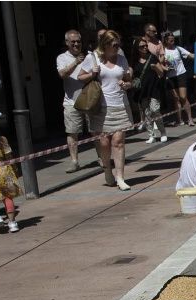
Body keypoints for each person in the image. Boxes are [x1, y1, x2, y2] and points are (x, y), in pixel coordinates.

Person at [78, 29, 133, 190]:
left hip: (120, 105)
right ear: (105, 45)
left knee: (118, 142)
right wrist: (92, 74)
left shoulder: (121, 59)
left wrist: (127, 84)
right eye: (113, 45)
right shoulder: (93, 58)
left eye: (118, 45)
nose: (116, 48)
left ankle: (120, 177)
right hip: (100, 107)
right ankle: (107, 170)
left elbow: (128, 79)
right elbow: (80, 77)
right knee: (103, 142)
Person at [56, 29, 89, 172]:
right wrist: (76, 62)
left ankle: (102, 158)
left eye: (79, 41)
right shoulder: (62, 58)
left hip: (90, 100)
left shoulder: (89, 56)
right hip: (71, 102)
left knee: (96, 131)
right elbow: (62, 74)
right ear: (67, 43)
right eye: (73, 42)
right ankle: (74, 161)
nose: (76, 44)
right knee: (72, 132)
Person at [131, 37, 167, 144]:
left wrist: (155, 68)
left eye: (146, 45)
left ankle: (163, 132)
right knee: (147, 113)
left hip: (154, 89)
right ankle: (151, 135)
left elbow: (161, 73)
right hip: (142, 91)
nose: (145, 48)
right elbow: (132, 75)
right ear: (137, 48)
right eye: (142, 46)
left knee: (155, 110)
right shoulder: (134, 61)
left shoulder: (152, 58)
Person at [161, 32, 195, 126]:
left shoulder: (178, 49)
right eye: (170, 40)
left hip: (180, 74)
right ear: (166, 41)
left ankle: (190, 118)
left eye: (173, 40)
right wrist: (164, 67)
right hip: (170, 76)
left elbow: (191, 55)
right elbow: (160, 63)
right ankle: (179, 120)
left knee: (183, 97)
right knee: (176, 98)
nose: (172, 41)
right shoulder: (163, 50)